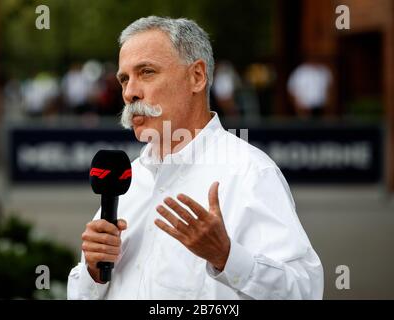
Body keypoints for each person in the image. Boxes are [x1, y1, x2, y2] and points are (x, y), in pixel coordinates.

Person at [67, 16, 323, 300]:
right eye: (124, 79)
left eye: (147, 72)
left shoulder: (249, 172)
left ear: (197, 77)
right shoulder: (128, 179)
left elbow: (304, 290)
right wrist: (92, 272)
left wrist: (226, 257)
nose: (130, 92)